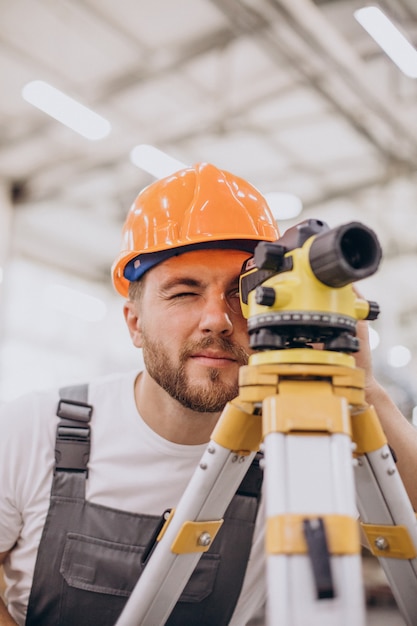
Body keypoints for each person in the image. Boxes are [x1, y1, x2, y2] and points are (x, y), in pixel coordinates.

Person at [0, 162, 417, 626]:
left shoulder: (297, 450)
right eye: (184, 292)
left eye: (241, 294)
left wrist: (364, 388)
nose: (218, 319)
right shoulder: (32, 431)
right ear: (134, 323)